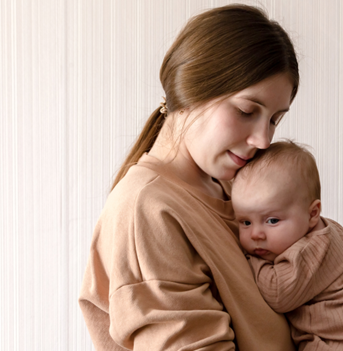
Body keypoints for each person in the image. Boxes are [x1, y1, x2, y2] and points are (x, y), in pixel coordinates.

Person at [79, 5, 299, 350]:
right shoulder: (146, 208)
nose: (264, 140)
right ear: (191, 90)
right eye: (246, 111)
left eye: (275, 119)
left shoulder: (236, 191)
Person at [231, 141, 343, 351]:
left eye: (272, 220)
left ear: (312, 214)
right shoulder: (327, 231)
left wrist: (244, 258)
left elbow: (277, 293)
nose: (255, 234)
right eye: (245, 222)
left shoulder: (314, 248)